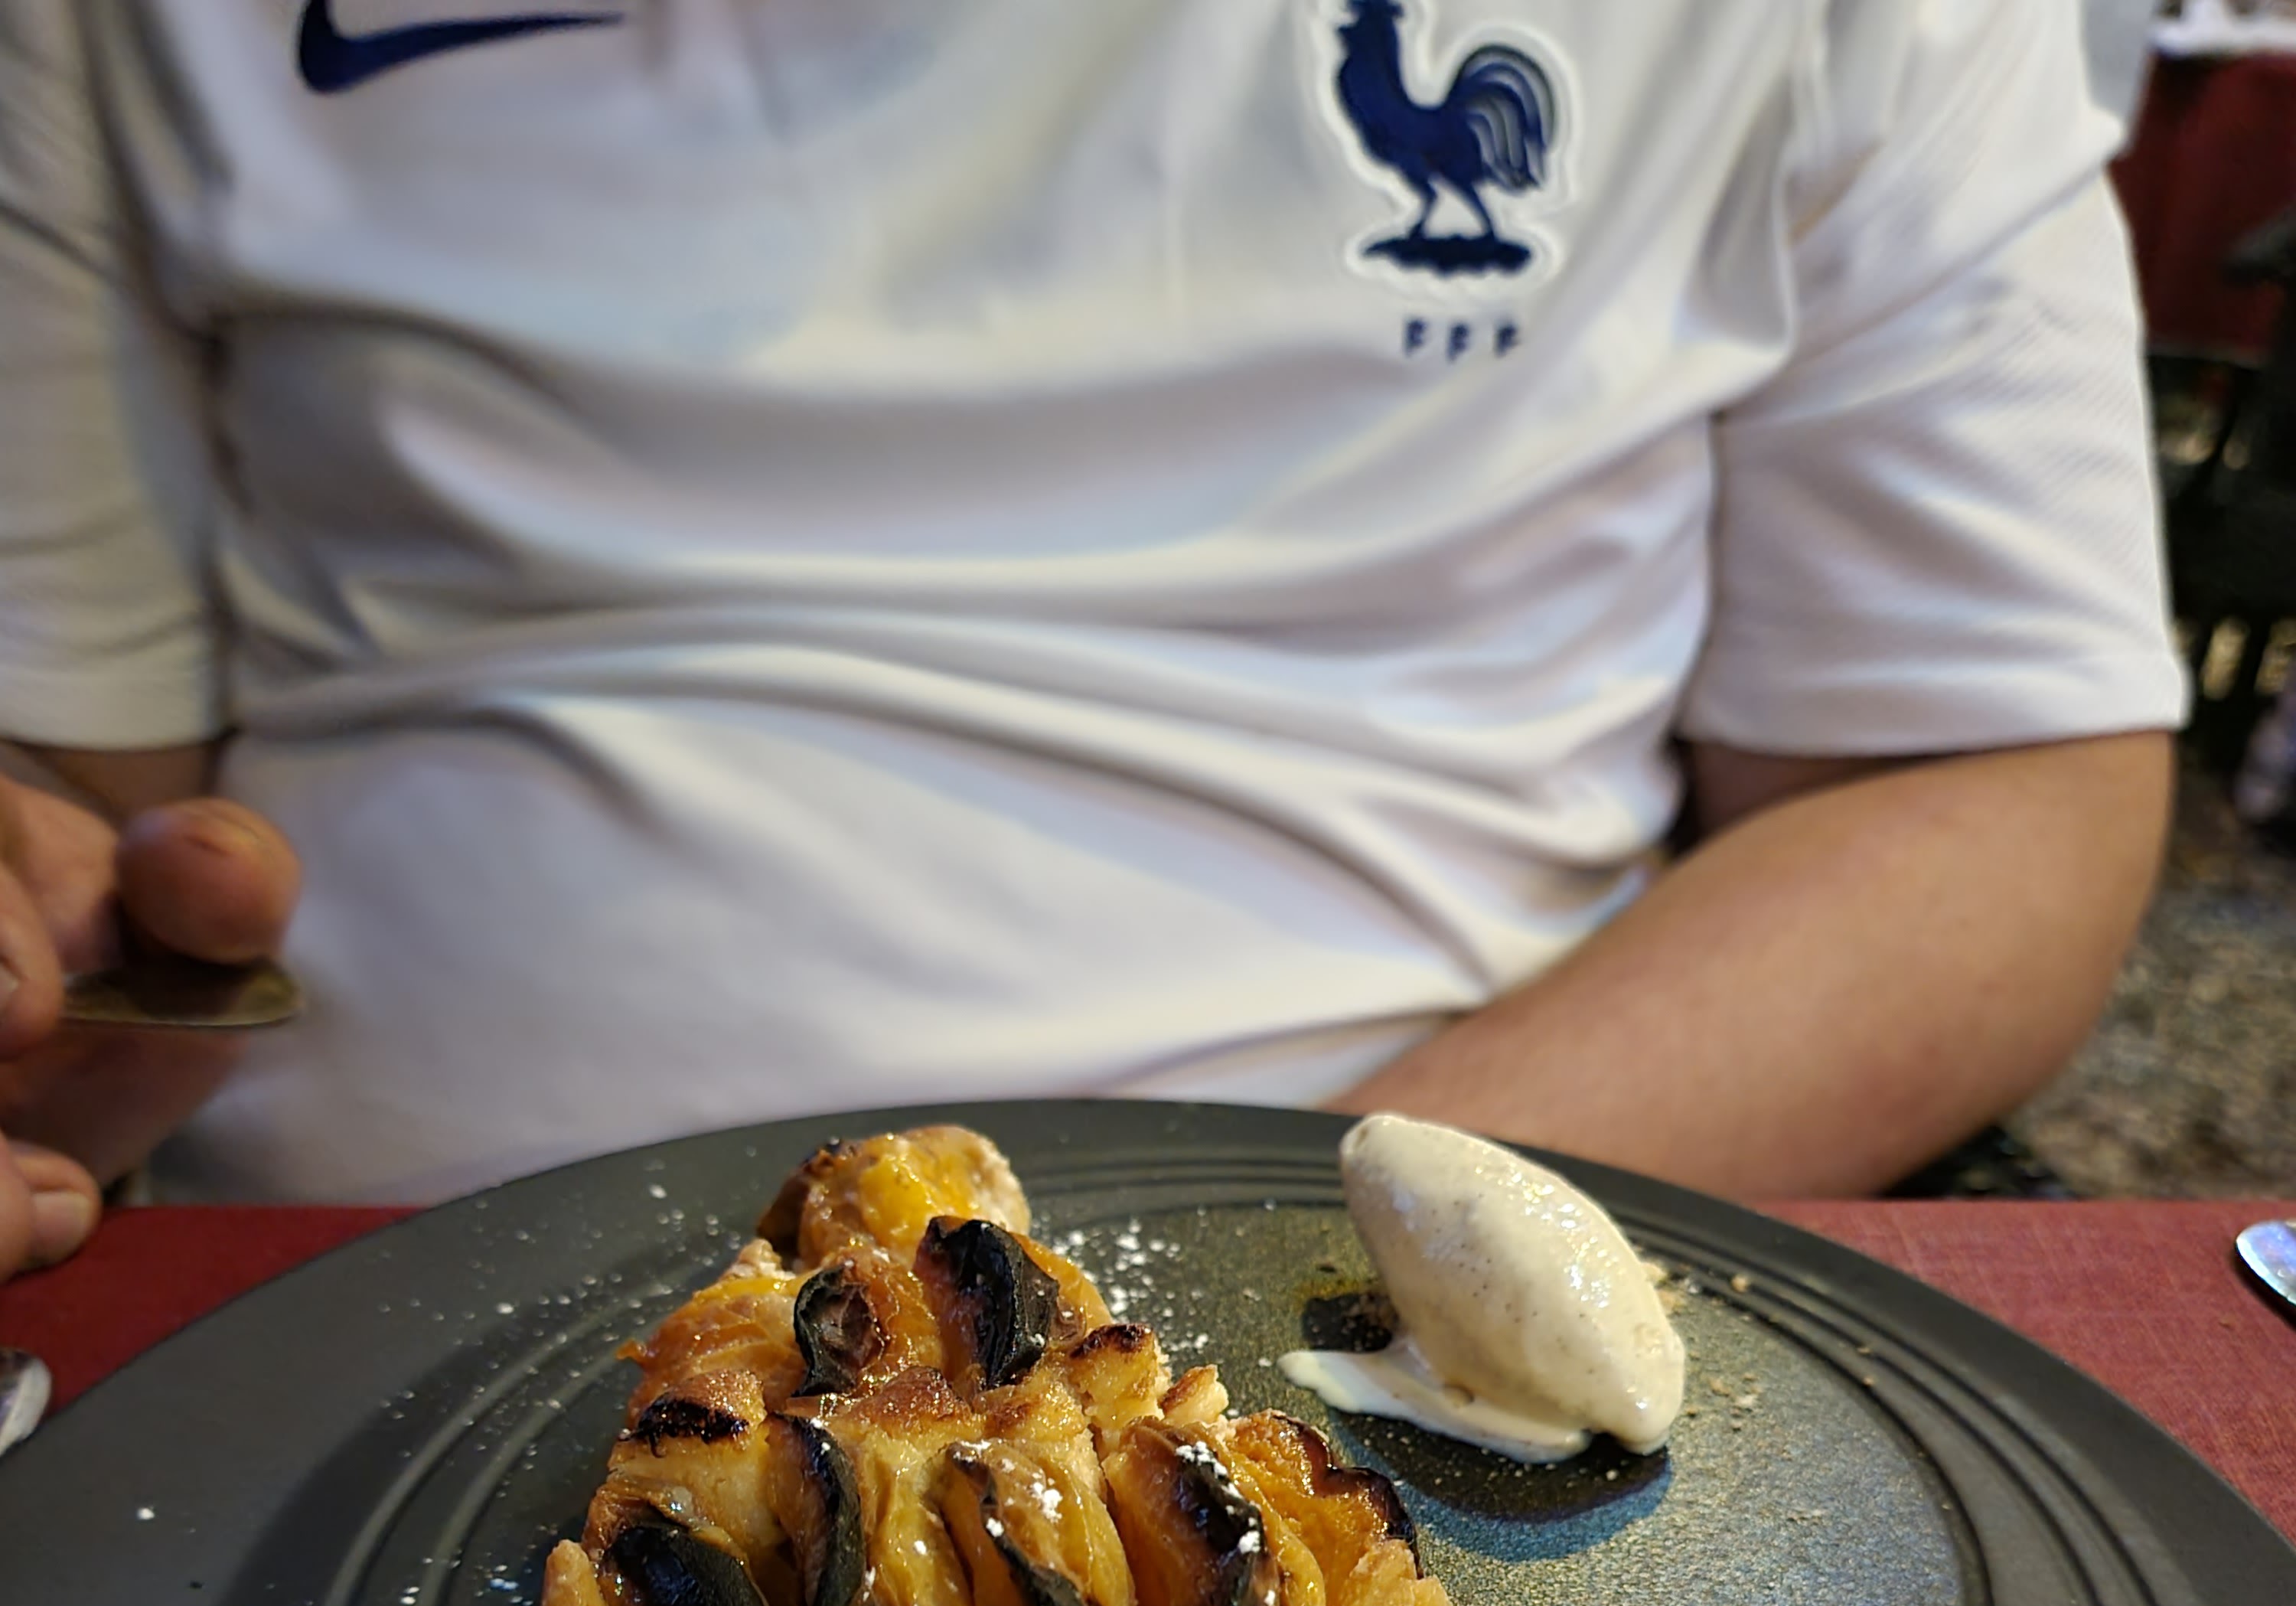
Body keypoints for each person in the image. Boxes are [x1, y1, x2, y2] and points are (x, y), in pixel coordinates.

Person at [0, 0, 2181, 1288]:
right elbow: (91, 782)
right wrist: (66, 943)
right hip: (339, 1290)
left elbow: (1990, 776)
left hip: (1378, 1297)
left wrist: (1265, 1275)